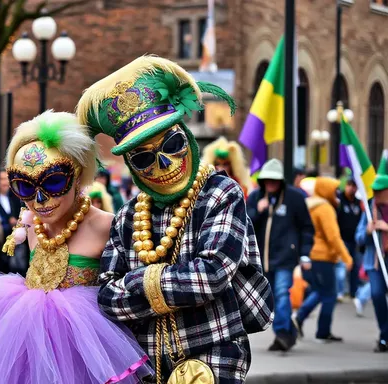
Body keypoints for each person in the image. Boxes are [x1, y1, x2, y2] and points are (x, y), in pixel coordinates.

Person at [0, 111, 151, 384]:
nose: (40, 199)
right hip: (22, 331)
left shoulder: (106, 225)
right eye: (24, 187)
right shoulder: (31, 221)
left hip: (85, 341)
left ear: (78, 176)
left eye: (54, 181)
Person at [78, 56, 273, 383]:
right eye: (143, 158)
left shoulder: (220, 193)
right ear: (130, 165)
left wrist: (139, 282)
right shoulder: (129, 216)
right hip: (146, 362)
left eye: (172, 143)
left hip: (214, 350)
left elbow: (211, 275)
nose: (164, 164)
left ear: (186, 136)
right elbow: (108, 297)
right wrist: (178, 282)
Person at [246, 158, 314, 351]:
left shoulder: (295, 198)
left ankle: (283, 333)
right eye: (267, 180)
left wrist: (305, 254)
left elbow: (307, 228)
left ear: (281, 181)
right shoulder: (255, 198)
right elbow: (243, 223)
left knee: (283, 294)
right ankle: (287, 331)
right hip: (261, 259)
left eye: (275, 180)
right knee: (270, 299)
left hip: (285, 257)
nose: (271, 183)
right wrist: (257, 211)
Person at [293, 177, 353, 343]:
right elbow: (333, 237)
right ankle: (323, 331)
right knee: (330, 295)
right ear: (326, 190)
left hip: (312, 255)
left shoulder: (311, 204)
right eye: (334, 190)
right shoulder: (325, 208)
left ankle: (298, 318)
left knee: (320, 291)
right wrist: (347, 257)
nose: (336, 194)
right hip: (323, 256)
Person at [355, 155, 388, 353]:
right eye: (374, 191)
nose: (375, 194)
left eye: (379, 191)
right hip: (375, 262)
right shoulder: (369, 209)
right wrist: (368, 231)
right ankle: (384, 336)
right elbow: (358, 237)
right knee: (376, 294)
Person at [0, 170, 23, 273]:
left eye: (6, 179)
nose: (4, 182)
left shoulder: (15, 198)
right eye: (1, 179)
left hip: (14, 246)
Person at [337, 176, 362, 300]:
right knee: (342, 268)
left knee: (355, 266)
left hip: (355, 241)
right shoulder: (339, 200)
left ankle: (353, 292)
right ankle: (340, 292)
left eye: (354, 186)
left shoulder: (358, 203)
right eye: (349, 185)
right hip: (342, 240)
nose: (351, 188)